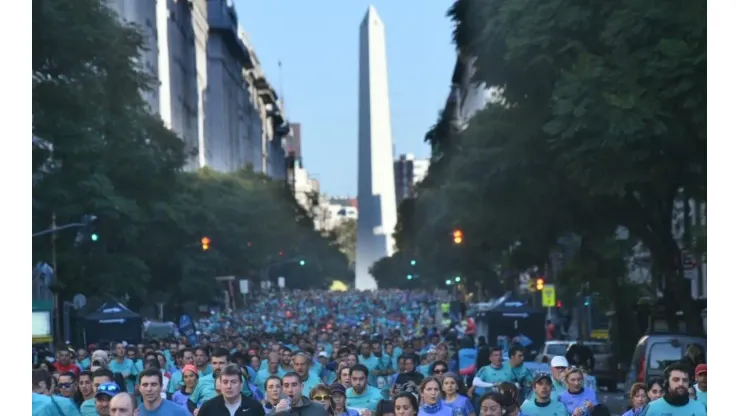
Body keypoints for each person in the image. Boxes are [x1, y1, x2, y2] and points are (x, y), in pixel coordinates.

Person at [198, 364, 267, 416]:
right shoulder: (208, 407)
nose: (229, 386)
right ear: (221, 384)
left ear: (241, 385)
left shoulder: (255, 407)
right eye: (225, 382)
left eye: (233, 382)